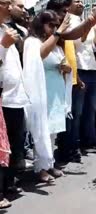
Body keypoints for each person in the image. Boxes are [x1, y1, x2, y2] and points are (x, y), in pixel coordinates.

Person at [23, 10, 70, 182]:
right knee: (41, 130)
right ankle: (40, 168)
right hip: (41, 92)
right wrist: (58, 33)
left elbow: (63, 62)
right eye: (51, 25)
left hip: (55, 92)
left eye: (56, 25)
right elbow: (40, 55)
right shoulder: (32, 42)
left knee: (52, 132)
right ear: (40, 24)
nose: (54, 28)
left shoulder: (54, 43)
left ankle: (50, 163)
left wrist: (66, 68)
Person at [0, 0, 30, 196]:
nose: (11, 7)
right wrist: (3, 45)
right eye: (7, 3)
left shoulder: (5, 28)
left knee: (15, 143)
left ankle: (8, 183)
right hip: (3, 99)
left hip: (15, 97)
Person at [67, 0, 96, 153]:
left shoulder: (83, 20)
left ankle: (89, 140)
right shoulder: (67, 20)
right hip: (79, 70)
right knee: (78, 111)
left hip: (91, 69)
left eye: (82, 1)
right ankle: (73, 145)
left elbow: (93, 47)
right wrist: (91, 22)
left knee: (91, 109)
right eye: (77, 1)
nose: (81, 4)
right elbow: (79, 40)